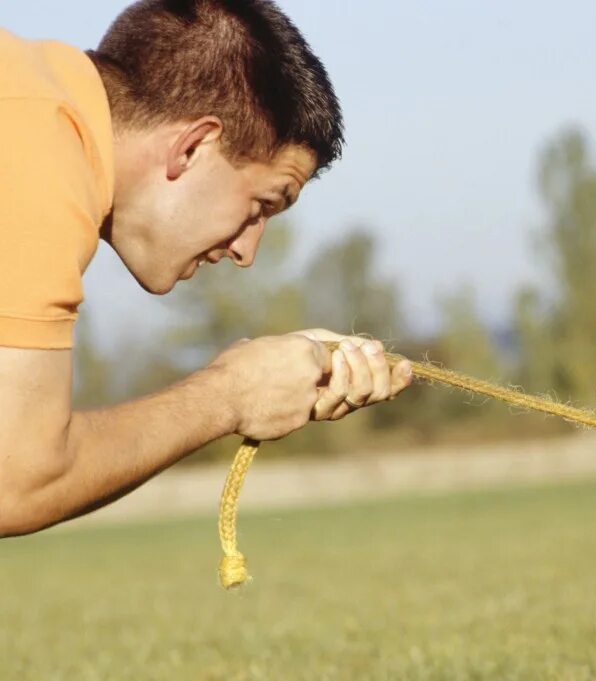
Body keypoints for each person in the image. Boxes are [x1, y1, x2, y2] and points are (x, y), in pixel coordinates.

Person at [0, 0, 412, 536]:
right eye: (263, 205)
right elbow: (17, 479)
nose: (247, 251)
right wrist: (230, 395)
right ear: (193, 147)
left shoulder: (28, 103)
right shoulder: (36, 152)